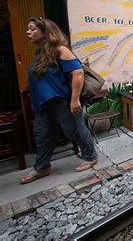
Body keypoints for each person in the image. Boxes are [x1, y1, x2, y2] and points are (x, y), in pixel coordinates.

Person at [21, 17, 98, 184]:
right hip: (44, 105)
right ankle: (42, 167)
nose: (28, 32)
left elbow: (77, 72)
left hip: (62, 101)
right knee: (42, 135)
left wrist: (75, 100)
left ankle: (90, 156)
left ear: (45, 32)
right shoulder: (40, 53)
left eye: (32, 29)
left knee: (75, 130)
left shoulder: (60, 50)